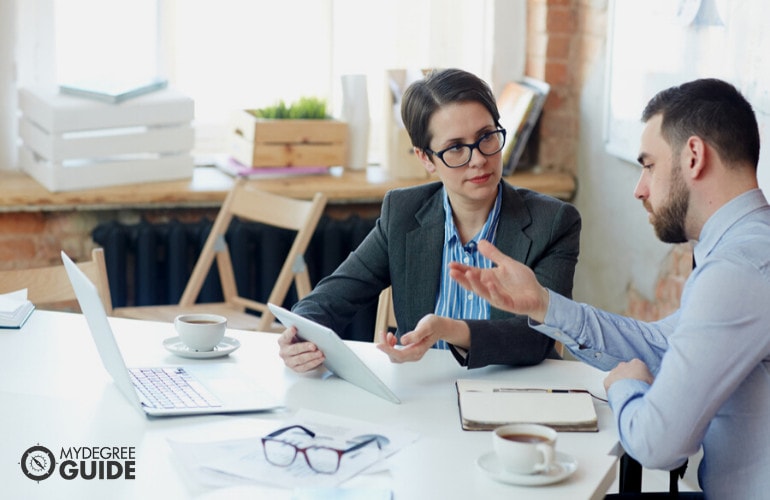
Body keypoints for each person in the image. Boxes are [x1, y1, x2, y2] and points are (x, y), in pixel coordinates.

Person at [450, 78, 770, 499]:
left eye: (649, 165)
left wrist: (625, 385)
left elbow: (656, 443)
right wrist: (543, 304)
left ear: (693, 156)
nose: (639, 188)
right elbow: (661, 341)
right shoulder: (747, 249)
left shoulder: (739, 269)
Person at [278, 68, 581, 372]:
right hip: (425, 393)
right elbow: (331, 297)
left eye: (486, 137)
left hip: (517, 394)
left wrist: (450, 330)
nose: (478, 159)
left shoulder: (553, 222)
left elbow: (538, 337)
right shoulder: (403, 212)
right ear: (426, 159)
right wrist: (299, 337)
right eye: (456, 148)